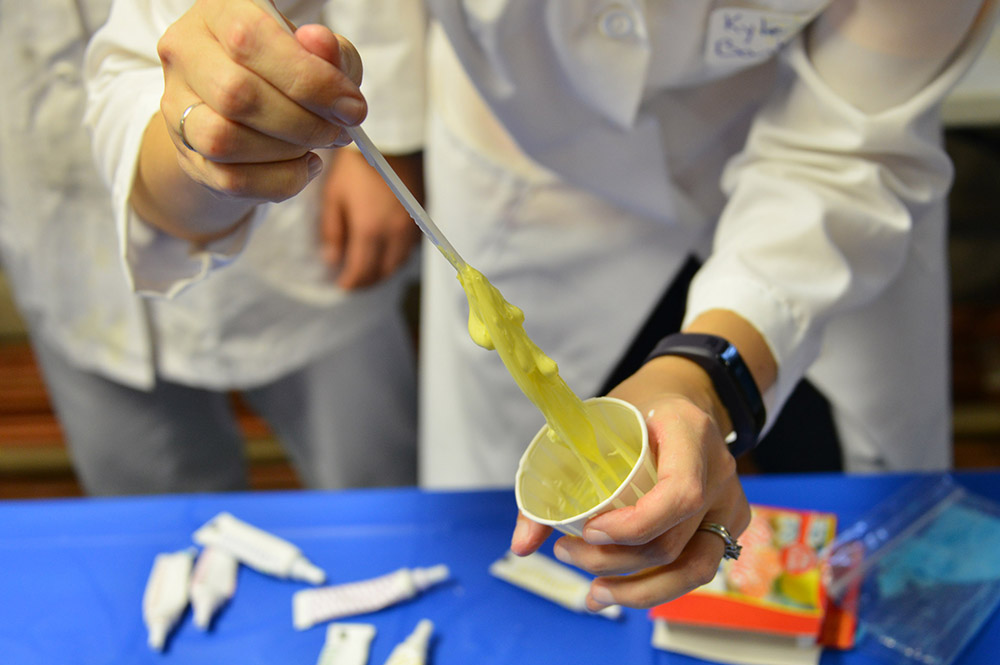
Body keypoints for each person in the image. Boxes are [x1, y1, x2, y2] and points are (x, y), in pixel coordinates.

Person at [85, 0, 998, 609]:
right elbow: (155, 89)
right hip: (533, 190)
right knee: (541, 605)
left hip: (818, 230)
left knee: (837, 584)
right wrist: (208, 145)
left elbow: (846, 143)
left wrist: (715, 372)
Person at [1, 0, 418, 496]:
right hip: (55, 213)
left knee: (373, 483)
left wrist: (392, 132)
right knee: (160, 529)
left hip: (308, 210)